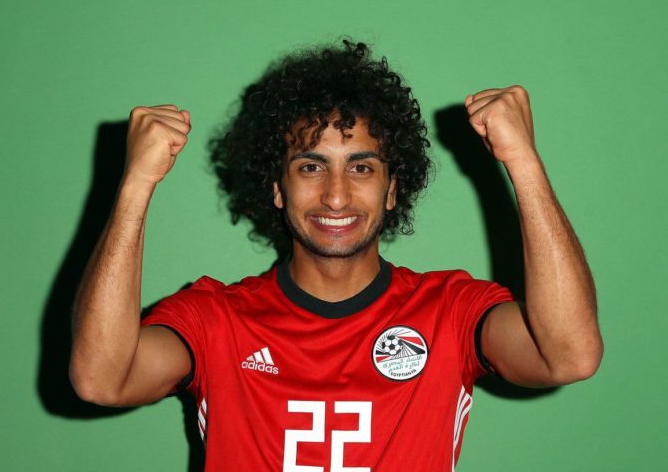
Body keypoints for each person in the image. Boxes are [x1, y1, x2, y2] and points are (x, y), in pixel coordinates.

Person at [69, 41, 603, 471]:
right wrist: (136, 185)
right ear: (277, 189)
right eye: (311, 167)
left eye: (362, 167)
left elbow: (569, 356)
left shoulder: (451, 311)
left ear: (393, 189)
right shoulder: (216, 319)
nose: (337, 196)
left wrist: (522, 162)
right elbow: (101, 379)